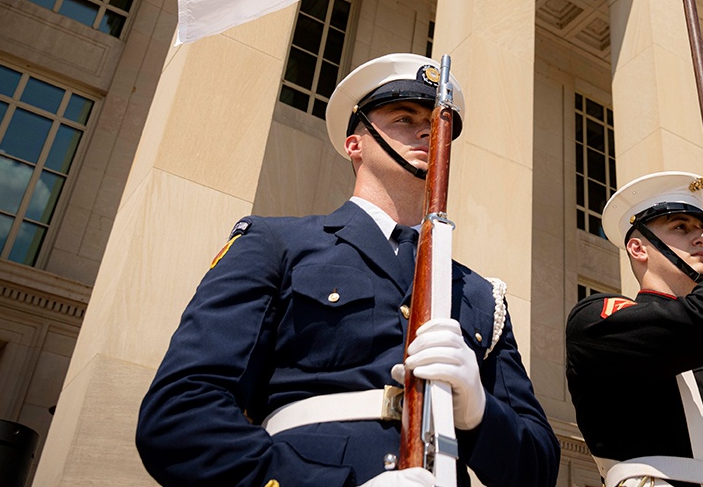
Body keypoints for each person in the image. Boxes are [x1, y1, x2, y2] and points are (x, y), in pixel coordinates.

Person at [136, 54, 559, 487]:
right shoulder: (277, 244)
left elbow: (539, 468)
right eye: (403, 117)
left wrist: (479, 412)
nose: (428, 131)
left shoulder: (480, 295)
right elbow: (180, 413)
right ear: (355, 143)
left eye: (439, 125)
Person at [565, 171, 703, 487]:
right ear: (639, 248)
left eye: (700, 229)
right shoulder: (598, 321)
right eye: (680, 227)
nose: (700, 238)